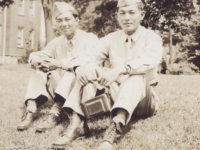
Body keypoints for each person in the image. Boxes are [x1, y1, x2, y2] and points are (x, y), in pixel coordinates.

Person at [52, 0, 163, 149]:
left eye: (131, 13)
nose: (126, 18)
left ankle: (115, 127)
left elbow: (150, 61)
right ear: (117, 16)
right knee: (88, 67)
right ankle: (78, 123)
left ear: (141, 15)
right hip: (116, 95)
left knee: (136, 75)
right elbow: (89, 55)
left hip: (144, 100)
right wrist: (79, 67)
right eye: (122, 13)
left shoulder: (152, 38)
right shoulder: (111, 38)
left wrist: (120, 69)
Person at [17, 2, 98, 132]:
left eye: (67, 19)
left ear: (77, 20)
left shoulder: (90, 39)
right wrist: (36, 60)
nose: (63, 24)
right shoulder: (56, 42)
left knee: (74, 69)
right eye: (59, 20)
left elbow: (86, 60)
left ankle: (56, 112)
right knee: (38, 68)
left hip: (85, 90)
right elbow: (40, 55)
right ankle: (31, 110)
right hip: (61, 88)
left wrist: (58, 64)